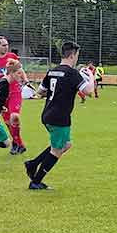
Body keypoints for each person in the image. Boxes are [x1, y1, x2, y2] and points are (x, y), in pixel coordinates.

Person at [26, 41, 93, 190]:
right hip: (60, 117)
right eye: (77, 55)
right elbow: (88, 91)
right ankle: (36, 181)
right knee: (57, 150)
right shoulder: (72, 73)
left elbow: (41, 91)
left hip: (47, 114)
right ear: (73, 55)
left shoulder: (52, 71)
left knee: (65, 144)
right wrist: (92, 78)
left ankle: (33, 163)